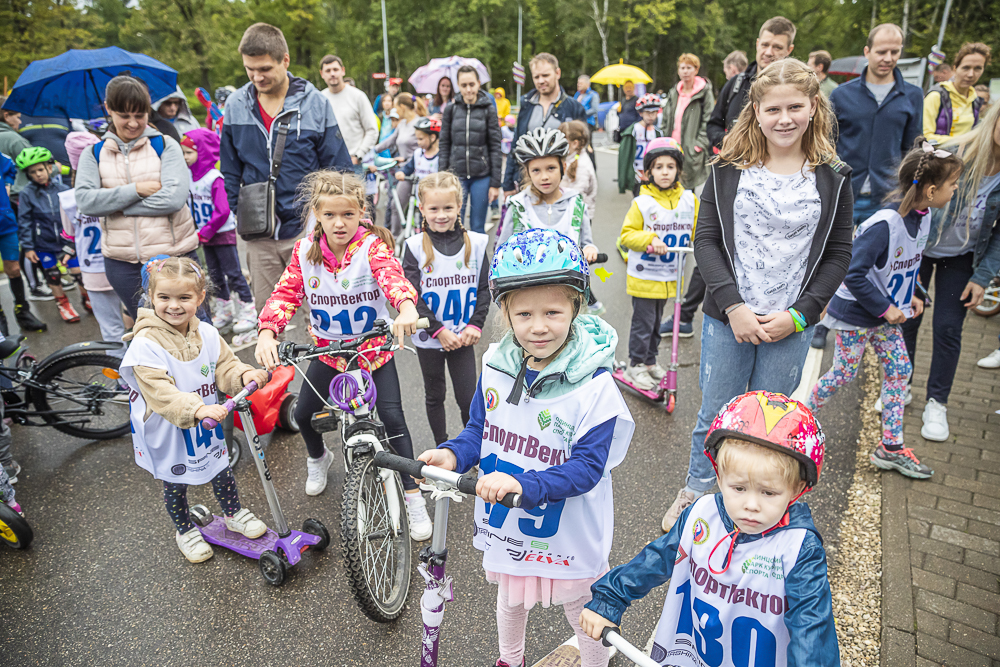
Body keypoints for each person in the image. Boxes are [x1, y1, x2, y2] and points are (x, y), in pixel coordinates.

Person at [418, 228, 635, 667]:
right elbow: (479, 430)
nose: (538, 327)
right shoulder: (496, 366)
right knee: (510, 595)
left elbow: (588, 468)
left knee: (583, 608)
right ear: (506, 313)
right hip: (511, 526)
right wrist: (454, 454)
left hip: (566, 528)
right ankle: (509, 659)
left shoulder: (596, 387)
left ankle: (596, 663)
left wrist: (522, 483)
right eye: (524, 315)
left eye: (553, 312)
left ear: (577, 304)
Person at [662, 58, 853, 533]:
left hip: (788, 324)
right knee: (717, 413)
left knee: (769, 420)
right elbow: (705, 240)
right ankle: (698, 493)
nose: (784, 118)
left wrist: (801, 316)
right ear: (756, 110)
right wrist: (733, 306)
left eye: (795, 107)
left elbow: (838, 252)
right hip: (730, 318)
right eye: (773, 109)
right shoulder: (727, 168)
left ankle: (754, 503)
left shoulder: (834, 175)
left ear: (814, 107)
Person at [581, 391, 839, 667]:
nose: (751, 505)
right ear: (719, 475)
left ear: (797, 489)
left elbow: (811, 628)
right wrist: (610, 599)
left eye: (769, 493)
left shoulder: (799, 549)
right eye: (738, 488)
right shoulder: (702, 515)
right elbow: (656, 559)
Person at [253, 171, 432, 540]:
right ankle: (319, 458)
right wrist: (268, 331)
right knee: (303, 413)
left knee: (394, 421)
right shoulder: (305, 252)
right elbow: (286, 294)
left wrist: (407, 308)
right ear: (317, 212)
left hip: (372, 353)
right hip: (329, 353)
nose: (339, 223)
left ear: (361, 211)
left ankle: (413, 496)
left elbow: (392, 278)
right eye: (330, 215)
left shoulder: (372, 248)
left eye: (348, 215)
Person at [808, 139, 962, 479]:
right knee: (844, 373)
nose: (956, 190)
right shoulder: (884, 225)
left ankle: (890, 447)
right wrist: (886, 308)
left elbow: (908, 263)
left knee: (898, 370)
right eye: (953, 185)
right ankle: (799, 418)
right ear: (933, 189)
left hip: (885, 314)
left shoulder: (924, 217)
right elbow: (853, 272)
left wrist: (917, 292)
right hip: (856, 314)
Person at [119, 256, 270, 563]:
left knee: (220, 467)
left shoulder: (208, 333)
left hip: (206, 422)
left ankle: (233, 513)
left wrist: (243, 375)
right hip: (169, 426)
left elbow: (224, 365)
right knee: (175, 482)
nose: (173, 306)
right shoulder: (145, 344)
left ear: (200, 298)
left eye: (184, 298)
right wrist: (197, 408)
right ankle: (184, 528)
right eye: (164, 297)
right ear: (151, 297)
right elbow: (159, 392)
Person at [220, 22, 353, 323]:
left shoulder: (315, 102)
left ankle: (328, 371)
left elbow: (338, 168)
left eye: (265, 68)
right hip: (258, 234)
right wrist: (239, 211)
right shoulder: (236, 105)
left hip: (308, 228)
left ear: (285, 60)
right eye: (249, 69)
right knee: (268, 321)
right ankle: (274, 372)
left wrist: (334, 221)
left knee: (322, 316)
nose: (257, 76)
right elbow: (229, 168)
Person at [815, 23, 924, 350]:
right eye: (881, 51)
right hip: (846, 192)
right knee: (834, 256)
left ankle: (868, 318)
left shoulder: (912, 95)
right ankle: (824, 319)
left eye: (895, 51)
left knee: (873, 263)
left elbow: (912, 149)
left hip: (887, 197)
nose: (888, 58)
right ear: (867, 52)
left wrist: (911, 194)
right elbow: (828, 144)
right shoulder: (843, 95)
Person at [901, 102, 1000, 441]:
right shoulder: (953, 153)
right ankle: (901, 387)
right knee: (907, 319)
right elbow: (910, 192)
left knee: (947, 328)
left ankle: (937, 403)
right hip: (920, 250)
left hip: (962, 258)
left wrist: (982, 277)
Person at [75, 75, 199, 320]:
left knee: (195, 331)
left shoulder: (166, 145)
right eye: (124, 115)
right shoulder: (93, 153)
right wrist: (136, 190)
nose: (133, 123)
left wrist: (117, 207)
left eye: (140, 115)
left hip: (175, 257)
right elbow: (86, 202)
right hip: (123, 264)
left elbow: (173, 199)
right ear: (109, 108)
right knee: (151, 335)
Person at [402, 172, 490, 444]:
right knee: (435, 394)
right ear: (422, 209)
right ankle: (442, 446)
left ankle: (473, 449)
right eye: (434, 208)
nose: (441, 215)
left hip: (464, 337)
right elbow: (411, 294)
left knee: (468, 399)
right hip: (431, 339)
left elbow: (485, 289)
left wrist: (476, 324)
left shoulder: (476, 243)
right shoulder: (414, 246)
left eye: (448, 208)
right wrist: (439, 331)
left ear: (459, 206)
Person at [618, 137, 697, 390]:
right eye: (659, 167)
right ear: (649, 171)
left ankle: (650, 362)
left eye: (670, 166)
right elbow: (626, 236)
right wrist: (650, 239)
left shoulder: (689, 200)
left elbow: (698, 231)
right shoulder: (642, 203)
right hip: (645, 276)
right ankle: (636, 365)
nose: (665, 172)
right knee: (643, 324)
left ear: (678, 170)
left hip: (670, 277)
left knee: (656, 325)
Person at [180, 129, 256, 338]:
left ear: (202, 151)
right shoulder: (189, 177)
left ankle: (248, 308)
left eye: (189, 153)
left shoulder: (214, 178)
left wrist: (206, 231)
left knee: (233, 273)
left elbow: (223, 210)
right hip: (204, 234)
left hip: (220, 232)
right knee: (213, 275)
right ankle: (226, 309)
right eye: (183, 153)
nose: (185, 158)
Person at [60, 131, 127, 356]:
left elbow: (69, 233)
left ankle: (122, 379)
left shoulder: (68, 198)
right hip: (121, 261)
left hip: (92, 269)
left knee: (111, 328)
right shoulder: (114, 190)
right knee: (140, 321)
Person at [16, 146, 88, 323]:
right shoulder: (27, 194)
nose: (38, 174)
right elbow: (24, 221)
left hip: (65, 240)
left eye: (40, 169)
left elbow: (73, 216)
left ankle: (87, 298)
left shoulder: (62, 188)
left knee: (78, 272)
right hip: (43, 243)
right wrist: (28, 247)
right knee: (53, 274)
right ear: (29, 175)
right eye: (33, 172)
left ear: (49, 168)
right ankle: (63, 304)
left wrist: (75, 239)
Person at [502, 53, 587, 196]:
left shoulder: (574, 108)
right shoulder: (526, 104)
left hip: (562, 184)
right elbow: (516, 145)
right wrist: (507, 184)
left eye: (545, 75)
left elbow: (583, 149)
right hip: (527, 182)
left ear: (557, 73)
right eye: (536, 77)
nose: (541, 81)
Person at [707, 16, 796, 150]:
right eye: (765, 45)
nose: (768, 52)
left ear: (789, 50)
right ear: (757, 44)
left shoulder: (797, 90)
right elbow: (713, 125)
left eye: (777, 47)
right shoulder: (735, 84)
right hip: (736, 166)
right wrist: (726, 140)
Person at [439, 65, 503, 234]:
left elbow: (495, 145)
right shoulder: (451, 109)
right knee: (453, 225)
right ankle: (456, 260)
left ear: (478, 83)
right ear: (458, 86)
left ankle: (479, 260)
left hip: (481, 176)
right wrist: (442, 176)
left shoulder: (488, 108)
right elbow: (444, 143)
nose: (468, 89)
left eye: (472, 85)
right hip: (456, 176)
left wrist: (495, 183)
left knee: (477, 227)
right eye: (464, 85)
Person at [375, 93, 427, 235]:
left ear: (403, 107)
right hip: (403, 172)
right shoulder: (402, 124)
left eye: (396, 107)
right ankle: (395, 239)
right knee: (396, 205)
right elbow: (390, 141)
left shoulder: (420, 123)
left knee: (425, 207)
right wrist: (372, 151)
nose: (395, 111)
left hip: (419, 170)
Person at [661, 53, 715, 190]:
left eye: (689, 67)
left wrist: (698, 145)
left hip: (691, 149)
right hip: (672, 147)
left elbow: (708, 120)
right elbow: (666, 117)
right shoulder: (674, 92)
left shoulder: (704, 92)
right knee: (670, 185)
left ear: (696, 70)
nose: (685, 71)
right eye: (682, 68)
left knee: (688, 190)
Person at [319, 55, 380, 172]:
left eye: (335, 69)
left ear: (343, 70)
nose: (332, 74)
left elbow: (372, 129)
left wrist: (358, 155)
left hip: (353, 164)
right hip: (328, 165)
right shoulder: (320, 99)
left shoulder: (358, 96)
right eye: (328, 70)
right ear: (322, 74)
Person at [924, 43, 991, 145]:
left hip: (963, 158)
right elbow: (926, 137)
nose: (970, 74)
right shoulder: (936, 96)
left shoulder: (975, 100)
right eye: (966, 68)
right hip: (936, 158)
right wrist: (964, 140)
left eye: (978, 68)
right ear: (955, 68)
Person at [617, 94, 662, 195]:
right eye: (647, 112)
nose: (651, 116)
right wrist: (623, 181)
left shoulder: (658, 133)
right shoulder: (633, 131)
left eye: (654, 112)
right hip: (638, 175)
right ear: (641, 113)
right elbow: (624, 157)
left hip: (654, 175)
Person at [560, 120, 597, 220]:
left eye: (562, 142)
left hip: (577, 217)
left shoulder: (581, 165)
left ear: (574, 143)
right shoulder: (570, 158)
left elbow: (578, 195)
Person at [396, 117, 440, 190]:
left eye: (421, 139)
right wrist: (402, 172)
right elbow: (409, 167)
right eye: (417, 139)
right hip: (419, 197)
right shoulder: (418, 153)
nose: (418, 142)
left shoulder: (440, 156)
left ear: (432, 137)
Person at [0, 98, 32, 197]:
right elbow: (34, 162)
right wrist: (56, 168)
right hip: (15, 196)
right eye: (18, 117)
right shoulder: (14, 140)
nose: (20, 122)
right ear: (6, 116)